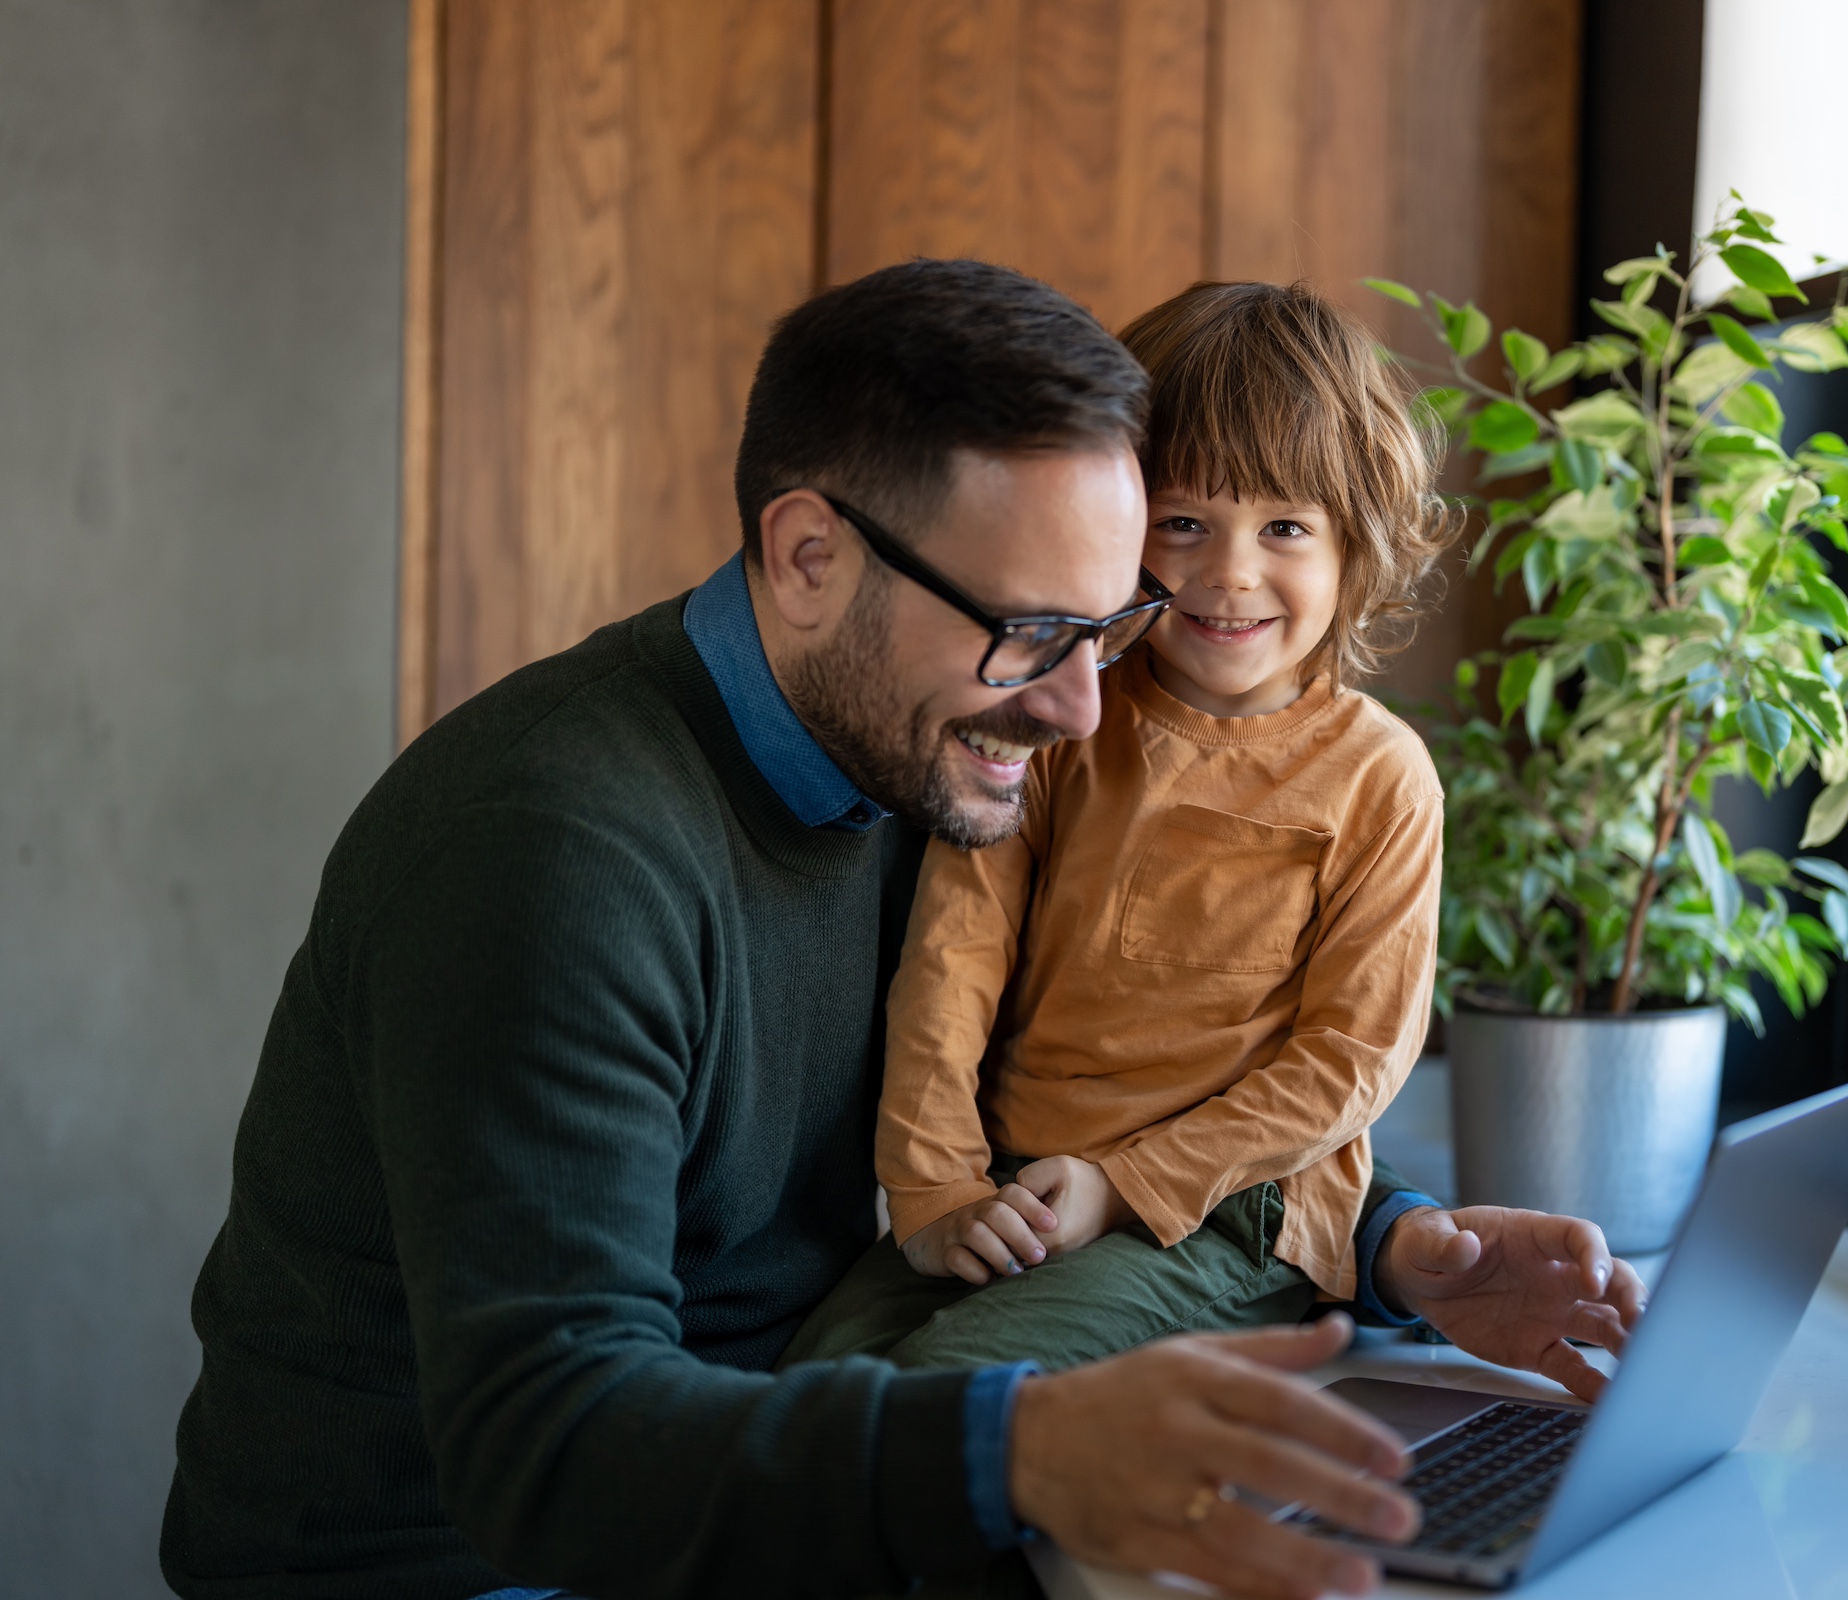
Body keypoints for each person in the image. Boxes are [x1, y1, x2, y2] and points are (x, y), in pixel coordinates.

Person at [162, 260, 1644, 1600]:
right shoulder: (552, 855)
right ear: (811, 556)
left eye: (1107, 631)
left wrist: (1385, 1249)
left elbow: (1104, 1064)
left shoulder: (920, 756)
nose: (1078, 708)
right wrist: (1023, 1447)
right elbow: (552, 1442)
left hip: (748, 1472)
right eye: (1032, 632)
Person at [784, 281, 1525, 1376]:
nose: (1230, 572)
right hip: (1016, 1187)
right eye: (1185, 523)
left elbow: (1352, 1060)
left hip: (1231, 1215)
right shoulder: (1059, 719)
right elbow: (952, 956)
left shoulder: (1381, 777)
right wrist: (935, 1185)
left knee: (948, 1392)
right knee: (817, 1378)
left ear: (1355, 547)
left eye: (1285, 527)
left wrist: (1124, 1183)